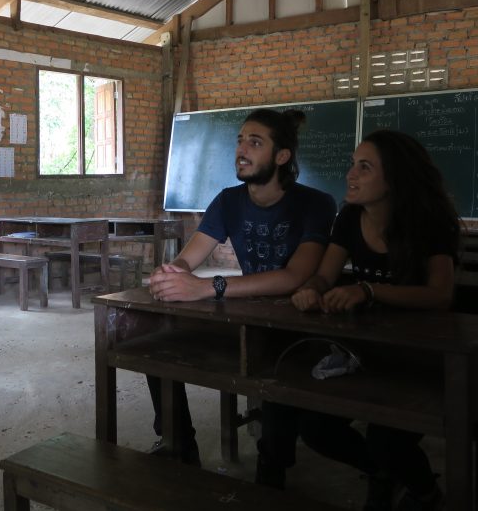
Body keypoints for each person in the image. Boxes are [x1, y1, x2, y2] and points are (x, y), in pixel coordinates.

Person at [256, 129, 461, 511]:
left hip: (421, 358)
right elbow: (325, 274)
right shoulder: (349, 217)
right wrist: (312, 289)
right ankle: (384, 474)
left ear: (394, 178)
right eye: (353, 165)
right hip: (365, 353)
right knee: (316, 429)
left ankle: (425, 495)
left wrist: (369, 290)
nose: (351, 174)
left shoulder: (429, 223)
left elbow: (440, 295)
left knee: (388, 440)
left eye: (364, 167)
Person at [147, 108, 337, 466]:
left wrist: (207, 288)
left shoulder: (315, 204)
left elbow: (294, 277)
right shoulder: (229, 200)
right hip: (245, 316)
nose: (241, 150)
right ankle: (178, 444)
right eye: (239, 140)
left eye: (255, 142)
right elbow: (191, 257)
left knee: (279, 391)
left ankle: (272, 475)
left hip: (300, 325)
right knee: (158, 348)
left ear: (282, 156)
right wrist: (172, 273)